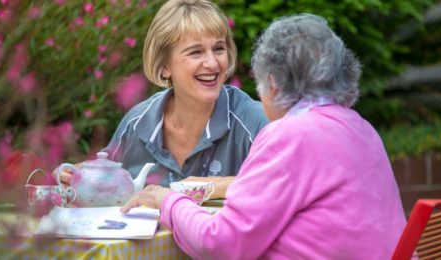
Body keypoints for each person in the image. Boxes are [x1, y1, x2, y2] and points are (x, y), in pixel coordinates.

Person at [121, 13, 407, 259]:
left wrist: (166, 200)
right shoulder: (361, 128)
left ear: (273, 84)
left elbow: (220, 244)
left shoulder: (291, 135)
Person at [54, 0, 269, 199]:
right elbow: (104, 183)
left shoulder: (255, 121)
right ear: (165, 66)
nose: (212, 63)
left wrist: (215, 186)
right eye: (195, 52)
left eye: (219, 49)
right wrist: (72, 177)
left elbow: (292, 182)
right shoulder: (138, 122)